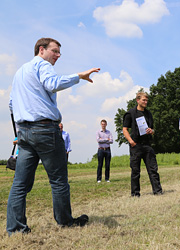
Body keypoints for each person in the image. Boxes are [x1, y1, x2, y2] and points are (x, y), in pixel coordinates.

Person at [7, 37, 99, 235]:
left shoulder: (20, 72)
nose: (58, 56)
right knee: (58, 180)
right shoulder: (43, 65)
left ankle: (15, 229)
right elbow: (52, 83)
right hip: (45, 130)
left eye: (59, 53)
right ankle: (65, 221)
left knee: (20, 184)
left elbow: (12, 104)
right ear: (41, 50)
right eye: (55, 51)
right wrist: (79, 76)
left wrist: (19, 132)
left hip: (24, 132)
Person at [123, 92, 163, 197]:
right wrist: (131, 141)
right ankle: (135, 193)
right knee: (135, 171)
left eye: (146, 100)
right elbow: (125, 129)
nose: (145, 102)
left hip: (147, 145)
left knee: (153, 169)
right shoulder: (130, 113)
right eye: (143, 100)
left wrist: (152, 131)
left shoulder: (148, 113)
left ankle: (157, 191)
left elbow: (153, 129)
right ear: (138, 100)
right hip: (136, 145)